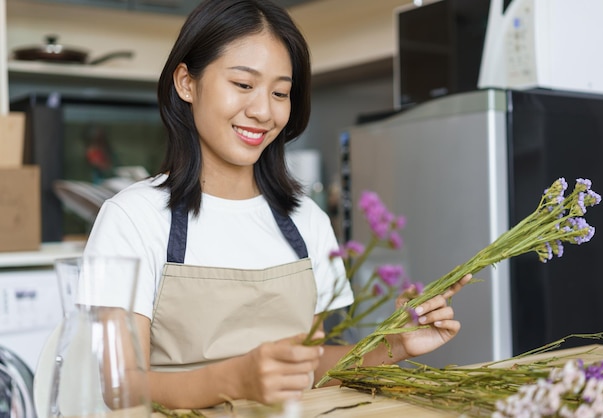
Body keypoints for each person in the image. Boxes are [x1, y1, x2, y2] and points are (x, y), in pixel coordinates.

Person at [83, 0, 471, 410]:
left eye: (280, 92)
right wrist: (235, 379)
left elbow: (313, 366)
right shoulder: (132, 218)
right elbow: (120, 386)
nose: (263, 111)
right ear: (186, 83)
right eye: (243, 85)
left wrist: (394, 344)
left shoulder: (307, 221)